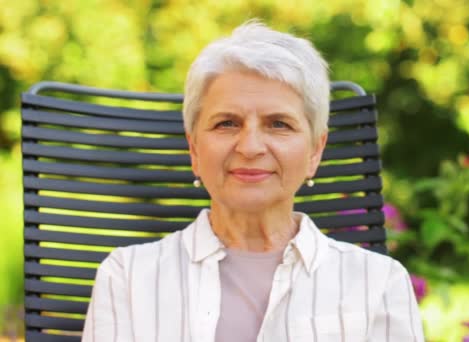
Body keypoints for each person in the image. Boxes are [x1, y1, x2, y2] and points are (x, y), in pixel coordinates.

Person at [82, 20, 425, 342]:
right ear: (194, 149)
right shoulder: (126, 278)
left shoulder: (378, 283)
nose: (249, 147)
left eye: (279, 124)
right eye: (226, 123)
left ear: (315, 151)